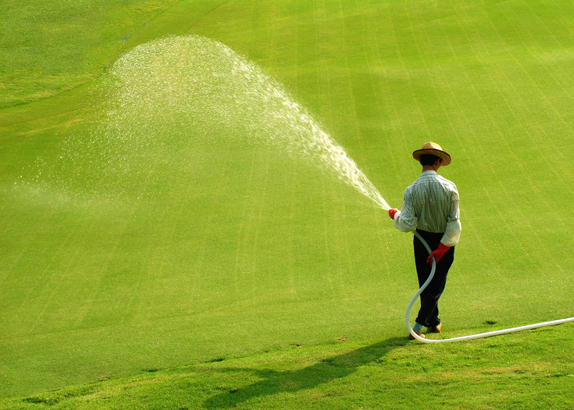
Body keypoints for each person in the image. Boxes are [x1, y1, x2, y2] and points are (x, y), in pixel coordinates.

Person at [388, 142, 461, 339]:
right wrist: (443, 247)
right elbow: (454, 224)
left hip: (422, 241)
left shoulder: (411, 190)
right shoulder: (450, 187)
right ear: (438, 162)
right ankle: (421, 325)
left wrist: (395, 215)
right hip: (443, 240)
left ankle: (433, 322)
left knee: (426, 282)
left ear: (421, 161)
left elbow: (407, 224)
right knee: (436, 284)